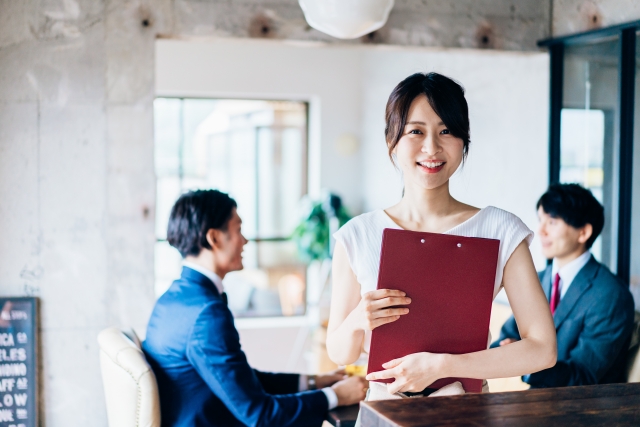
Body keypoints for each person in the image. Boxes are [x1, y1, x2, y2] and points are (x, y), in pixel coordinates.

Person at [326, 72, 557, 402]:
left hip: (463, 410)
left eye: (446, 131)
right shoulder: (358, 234)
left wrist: (441, 367)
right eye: (415, 131)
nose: (431, 147)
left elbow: (543, 350)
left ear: (464, 140)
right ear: (392, 141)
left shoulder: (500, 229)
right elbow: (341, 353)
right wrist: (357, 320)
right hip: (386, 411)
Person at [142, 190, 367, 427]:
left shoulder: (172, 300)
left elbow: (241, 380)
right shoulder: (206, 314)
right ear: (214, 238)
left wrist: (314, 382)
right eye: (238, 229)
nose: (245, 240)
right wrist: (336, 396)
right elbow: (259, 415)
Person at [492, 183, 635, 387]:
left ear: (583, 232)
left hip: (585, 410)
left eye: (552, 222)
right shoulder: (538, 279)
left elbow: (583, 375)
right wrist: (506, 349)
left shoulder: (610, 295)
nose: (540, 231)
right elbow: (507, 336)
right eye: (540, 220)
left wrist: (526, 361)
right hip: (535, 402)